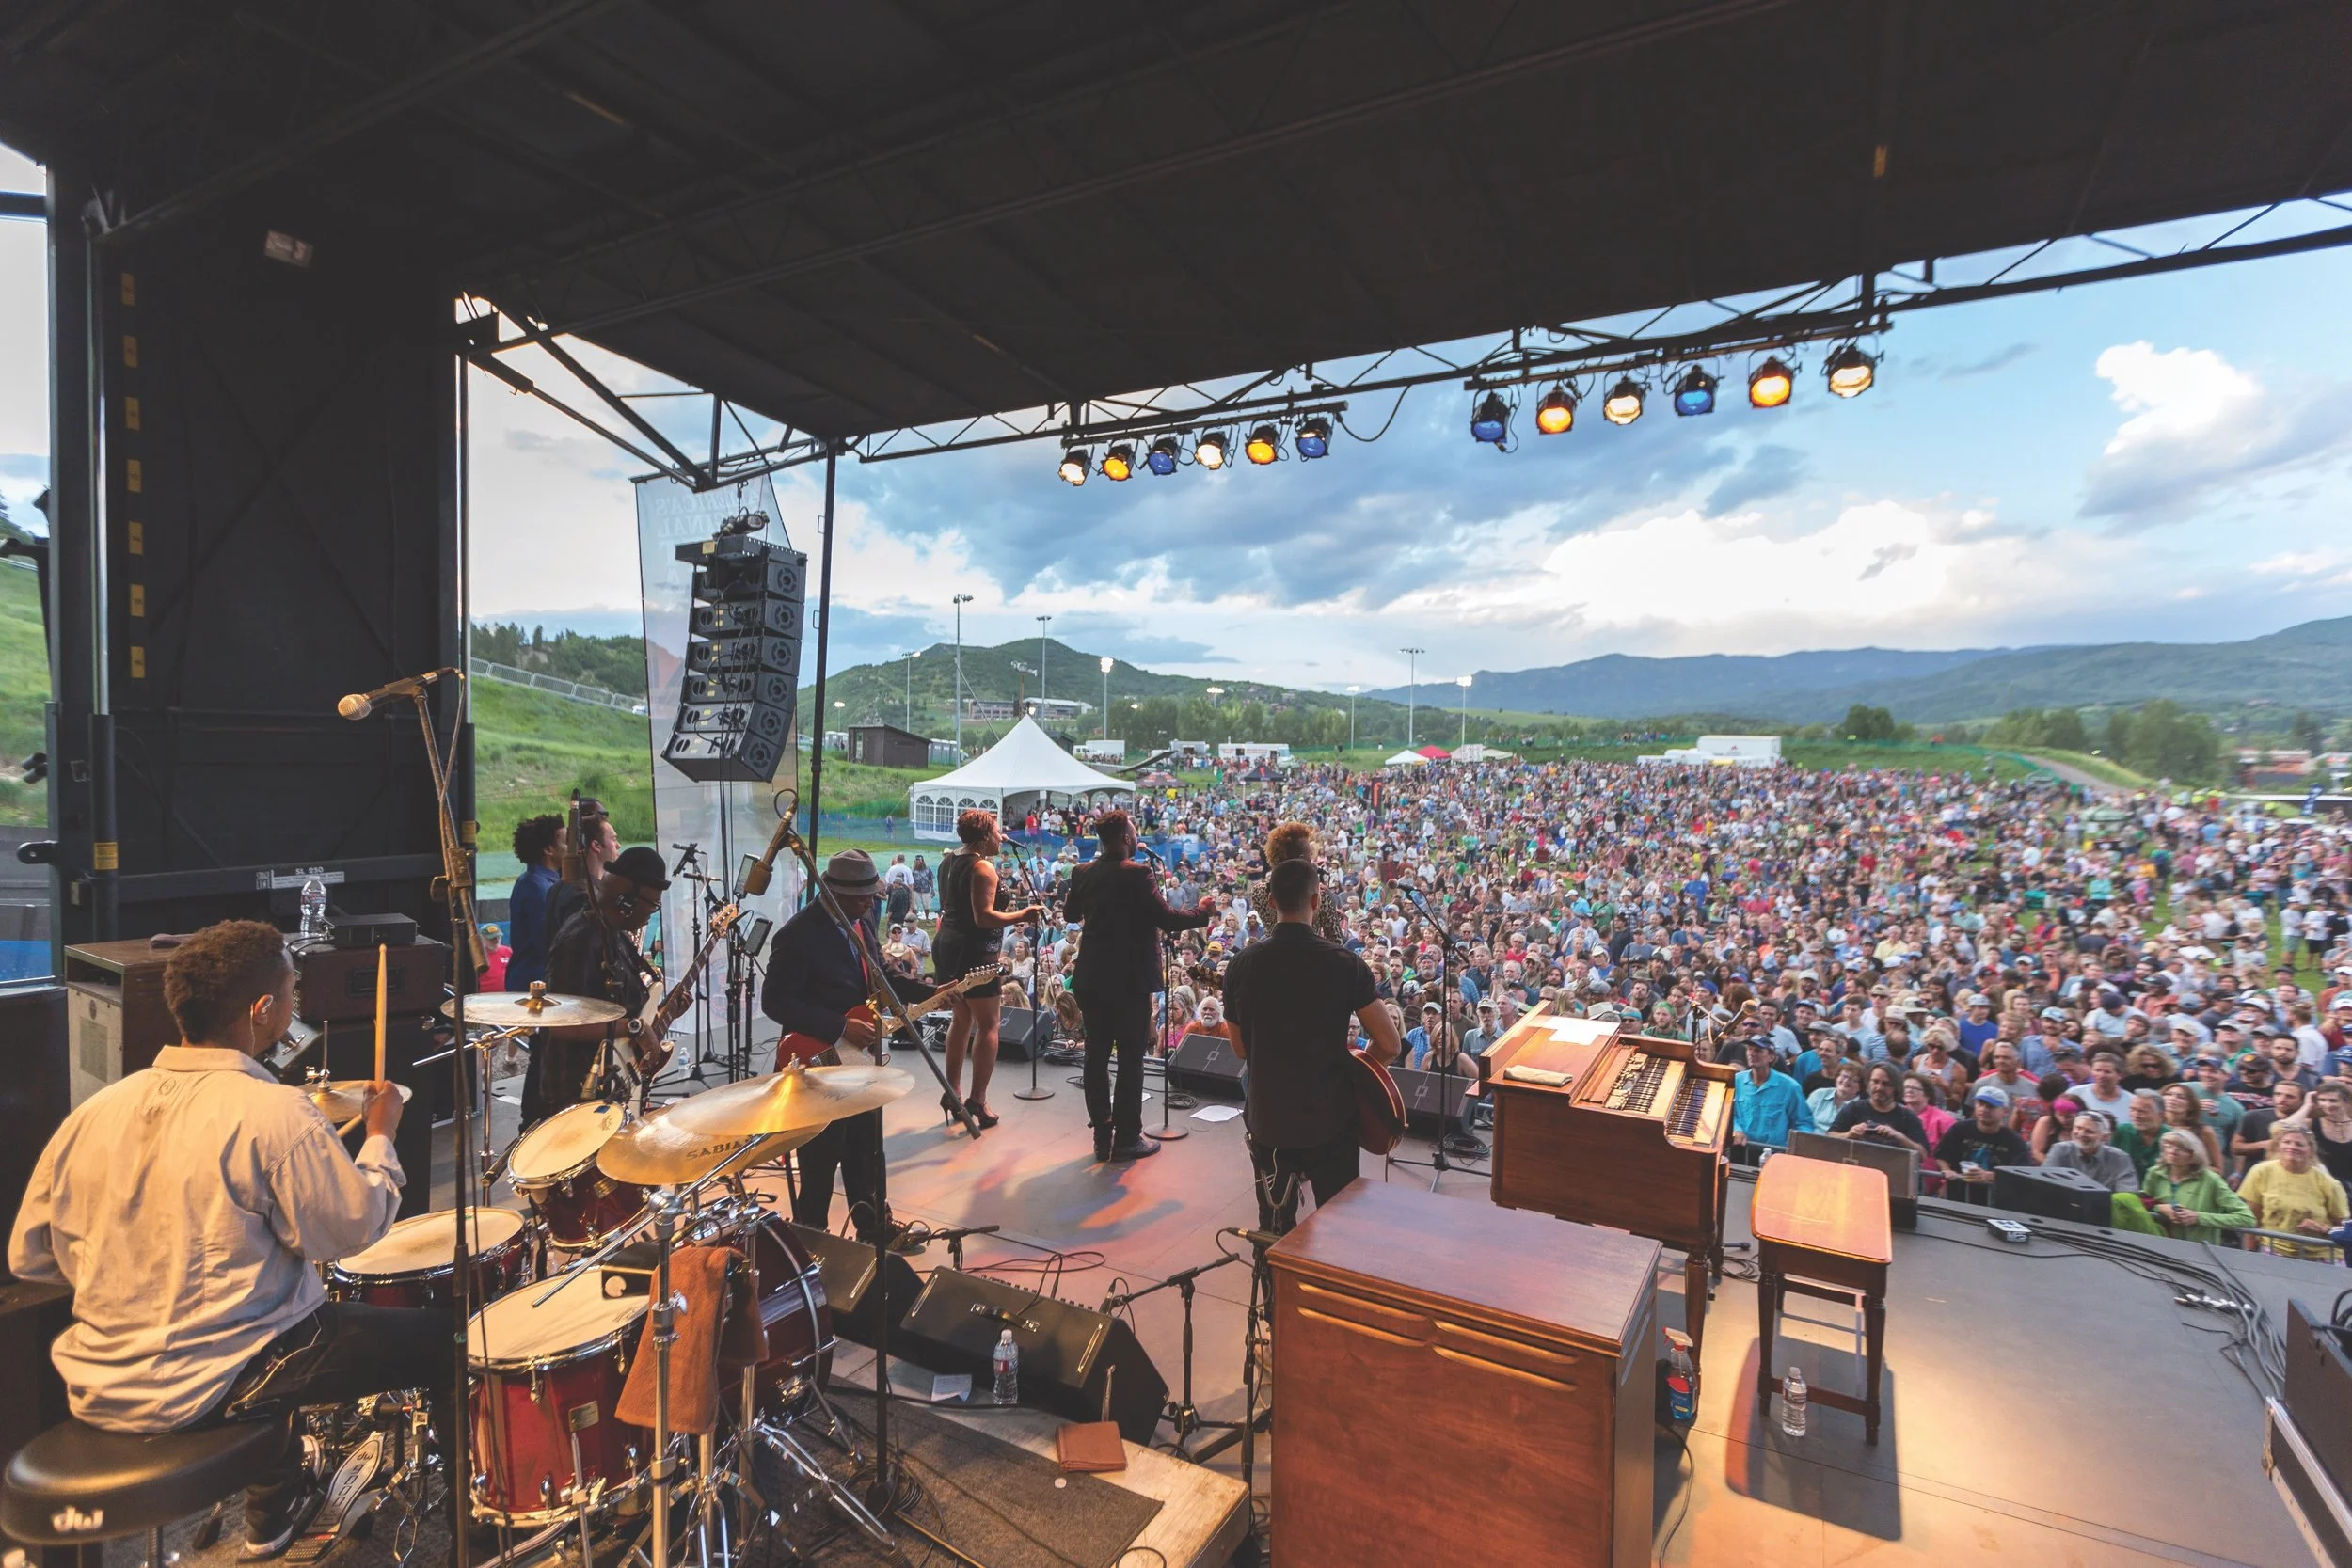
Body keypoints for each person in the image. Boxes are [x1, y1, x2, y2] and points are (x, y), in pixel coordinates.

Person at [8, 920, 422, 1559]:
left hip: (99, 1382)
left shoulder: (94, 1113)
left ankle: (273, 1511)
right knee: (442, 1339)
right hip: (210, 1382)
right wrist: (380, 1135)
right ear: (263, 1010)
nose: (294, 1004)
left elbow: (30, 1256)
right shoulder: (273, 1111)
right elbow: (350, 1229)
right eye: (292, 991)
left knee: (267, 1304)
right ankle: (472, 1532)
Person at [1223, 857, 1404, 1232]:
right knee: (1339, 1228)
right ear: (1317, 901)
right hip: (1330, 1121)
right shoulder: (1345, 964)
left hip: (1269, 1119)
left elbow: (1240, 1050)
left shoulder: (1241, 965)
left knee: (1274, 1229)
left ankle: (1273, 1270)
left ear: (1270, 901)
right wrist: (1355, 1074)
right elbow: (1389, 1045)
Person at [761, 851, 914, 1240]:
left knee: (867, 1146)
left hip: (858, 1060)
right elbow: (775, 1002)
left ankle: (873, 1227)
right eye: (862, 897)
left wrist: (931, 990)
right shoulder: (798, 935)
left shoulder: (861, 920)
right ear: (834, 893)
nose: (870, 902)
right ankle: (812, 1237)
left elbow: (881, 973)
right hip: (819, 1060)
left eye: (871, 895)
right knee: (821, 1156)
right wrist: (840, 1026)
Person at [1061, 810, 1215, 1162]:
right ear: (1126, 837)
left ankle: (1102, 1134)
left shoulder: (1082, 872)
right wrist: (1202, 911)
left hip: (1092, 978)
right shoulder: (1138, 873)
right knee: (1131, 1058)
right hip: (1128, 981)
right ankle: (1128, 1138)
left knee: (1096, 1055)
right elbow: (1167, 919)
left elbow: (1070, 915)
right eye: (1132, 831)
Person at [532, 845, 671, 1123]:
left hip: (610, 1088)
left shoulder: (612, 934)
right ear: (627, 901)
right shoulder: (580, 939)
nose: (651, 914)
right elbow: (559, 1024)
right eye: (652, 904)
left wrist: (664, 1013)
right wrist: (633, 1027)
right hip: (578, 1095)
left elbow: (622, 1009)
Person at [932, 810, 1043, 1128]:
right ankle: (977, 1100)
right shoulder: (982, 868)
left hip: (948, 946)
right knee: (989, 1024)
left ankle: (952, 1093)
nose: (1002, 837)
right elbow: (983, 918)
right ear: (983, 838)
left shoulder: (948, 861)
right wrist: (1024, 914)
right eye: (997, 832)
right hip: (976, 952)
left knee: (961, 1019)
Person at [2112, 1129, 2255, 1242]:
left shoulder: (2211, 1180)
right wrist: (2160, 1208)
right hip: (2159, 1245)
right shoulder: (2154, 1173)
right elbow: (2144, 1202)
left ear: (2193, 1155)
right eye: (2168, 1146)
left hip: (2199, 1251)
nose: (2173, 1151)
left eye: (2180, 1148)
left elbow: (2246, 1218)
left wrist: (2198, 1217)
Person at [2237, 1125, 2349, 1260]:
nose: (2292, 1147)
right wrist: (2249, 1253)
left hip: (2320, 1256)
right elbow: (2252, 1219)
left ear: (2311, 1150)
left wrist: (2321, 1229)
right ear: (2278, 1146)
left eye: (2299, 1144)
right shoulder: (2261, 1172)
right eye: (2287, 1142)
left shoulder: (2329, 1183)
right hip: (2273, 1250)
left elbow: (2345, 1229)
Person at [1933, 1084, 2037, 1205]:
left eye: (1991, 1106)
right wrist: (1947, 1171)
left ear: (2005, 1111)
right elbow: (1941, 1155)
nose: (1984, 1109)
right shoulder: (1960, 1128)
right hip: (1957, 1195)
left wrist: (1990, 1176)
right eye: (1980, 1104)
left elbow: (2020, 1174)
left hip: (1993, 1202)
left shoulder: (2014, 1141)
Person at [541, 798, 616, 948]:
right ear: (596, 846)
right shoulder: (583, 895)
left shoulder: (558, 888)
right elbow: (583, 949)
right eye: (614, 839)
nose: (618, 845)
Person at [504, 812, 564, 992]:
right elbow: (547, 942)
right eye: (566, 842)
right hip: (535, 983)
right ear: (548, 850)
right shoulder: (539, 888)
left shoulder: (535, 881)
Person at [1730, 1036, 1807, 1164]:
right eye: (1749, 1049)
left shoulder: (1789, 1086)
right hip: (1741, 1150)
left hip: (1776, 1154)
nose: (1751, 1053)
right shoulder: (1736, 1080)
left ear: (1771, 1057)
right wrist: (1736, 1129)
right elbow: (1729, 1113)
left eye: (1758, 1051)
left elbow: (1803, 1122)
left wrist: (1794, 1148)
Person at [1828, 1060, 1931, 1155]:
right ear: (1868, 1083)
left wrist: (1899, 1137)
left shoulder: (1906, 1116)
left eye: (1886, 1084)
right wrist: (1848, 1135)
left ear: (1895, 1087)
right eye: (1875, 1081)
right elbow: (1829, 1137)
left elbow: (1923, 1154)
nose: (1879, 1087)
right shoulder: (1855, 1108)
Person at [2042, 1109, 2138, 1192]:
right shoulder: (2060, 1150)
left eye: (2089, 1131)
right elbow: (2045, 1184)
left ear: (2105, 1137)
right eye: (2078, 1128)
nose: (2081, 1134)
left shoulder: (2120, 1158)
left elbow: (2127, 1194)